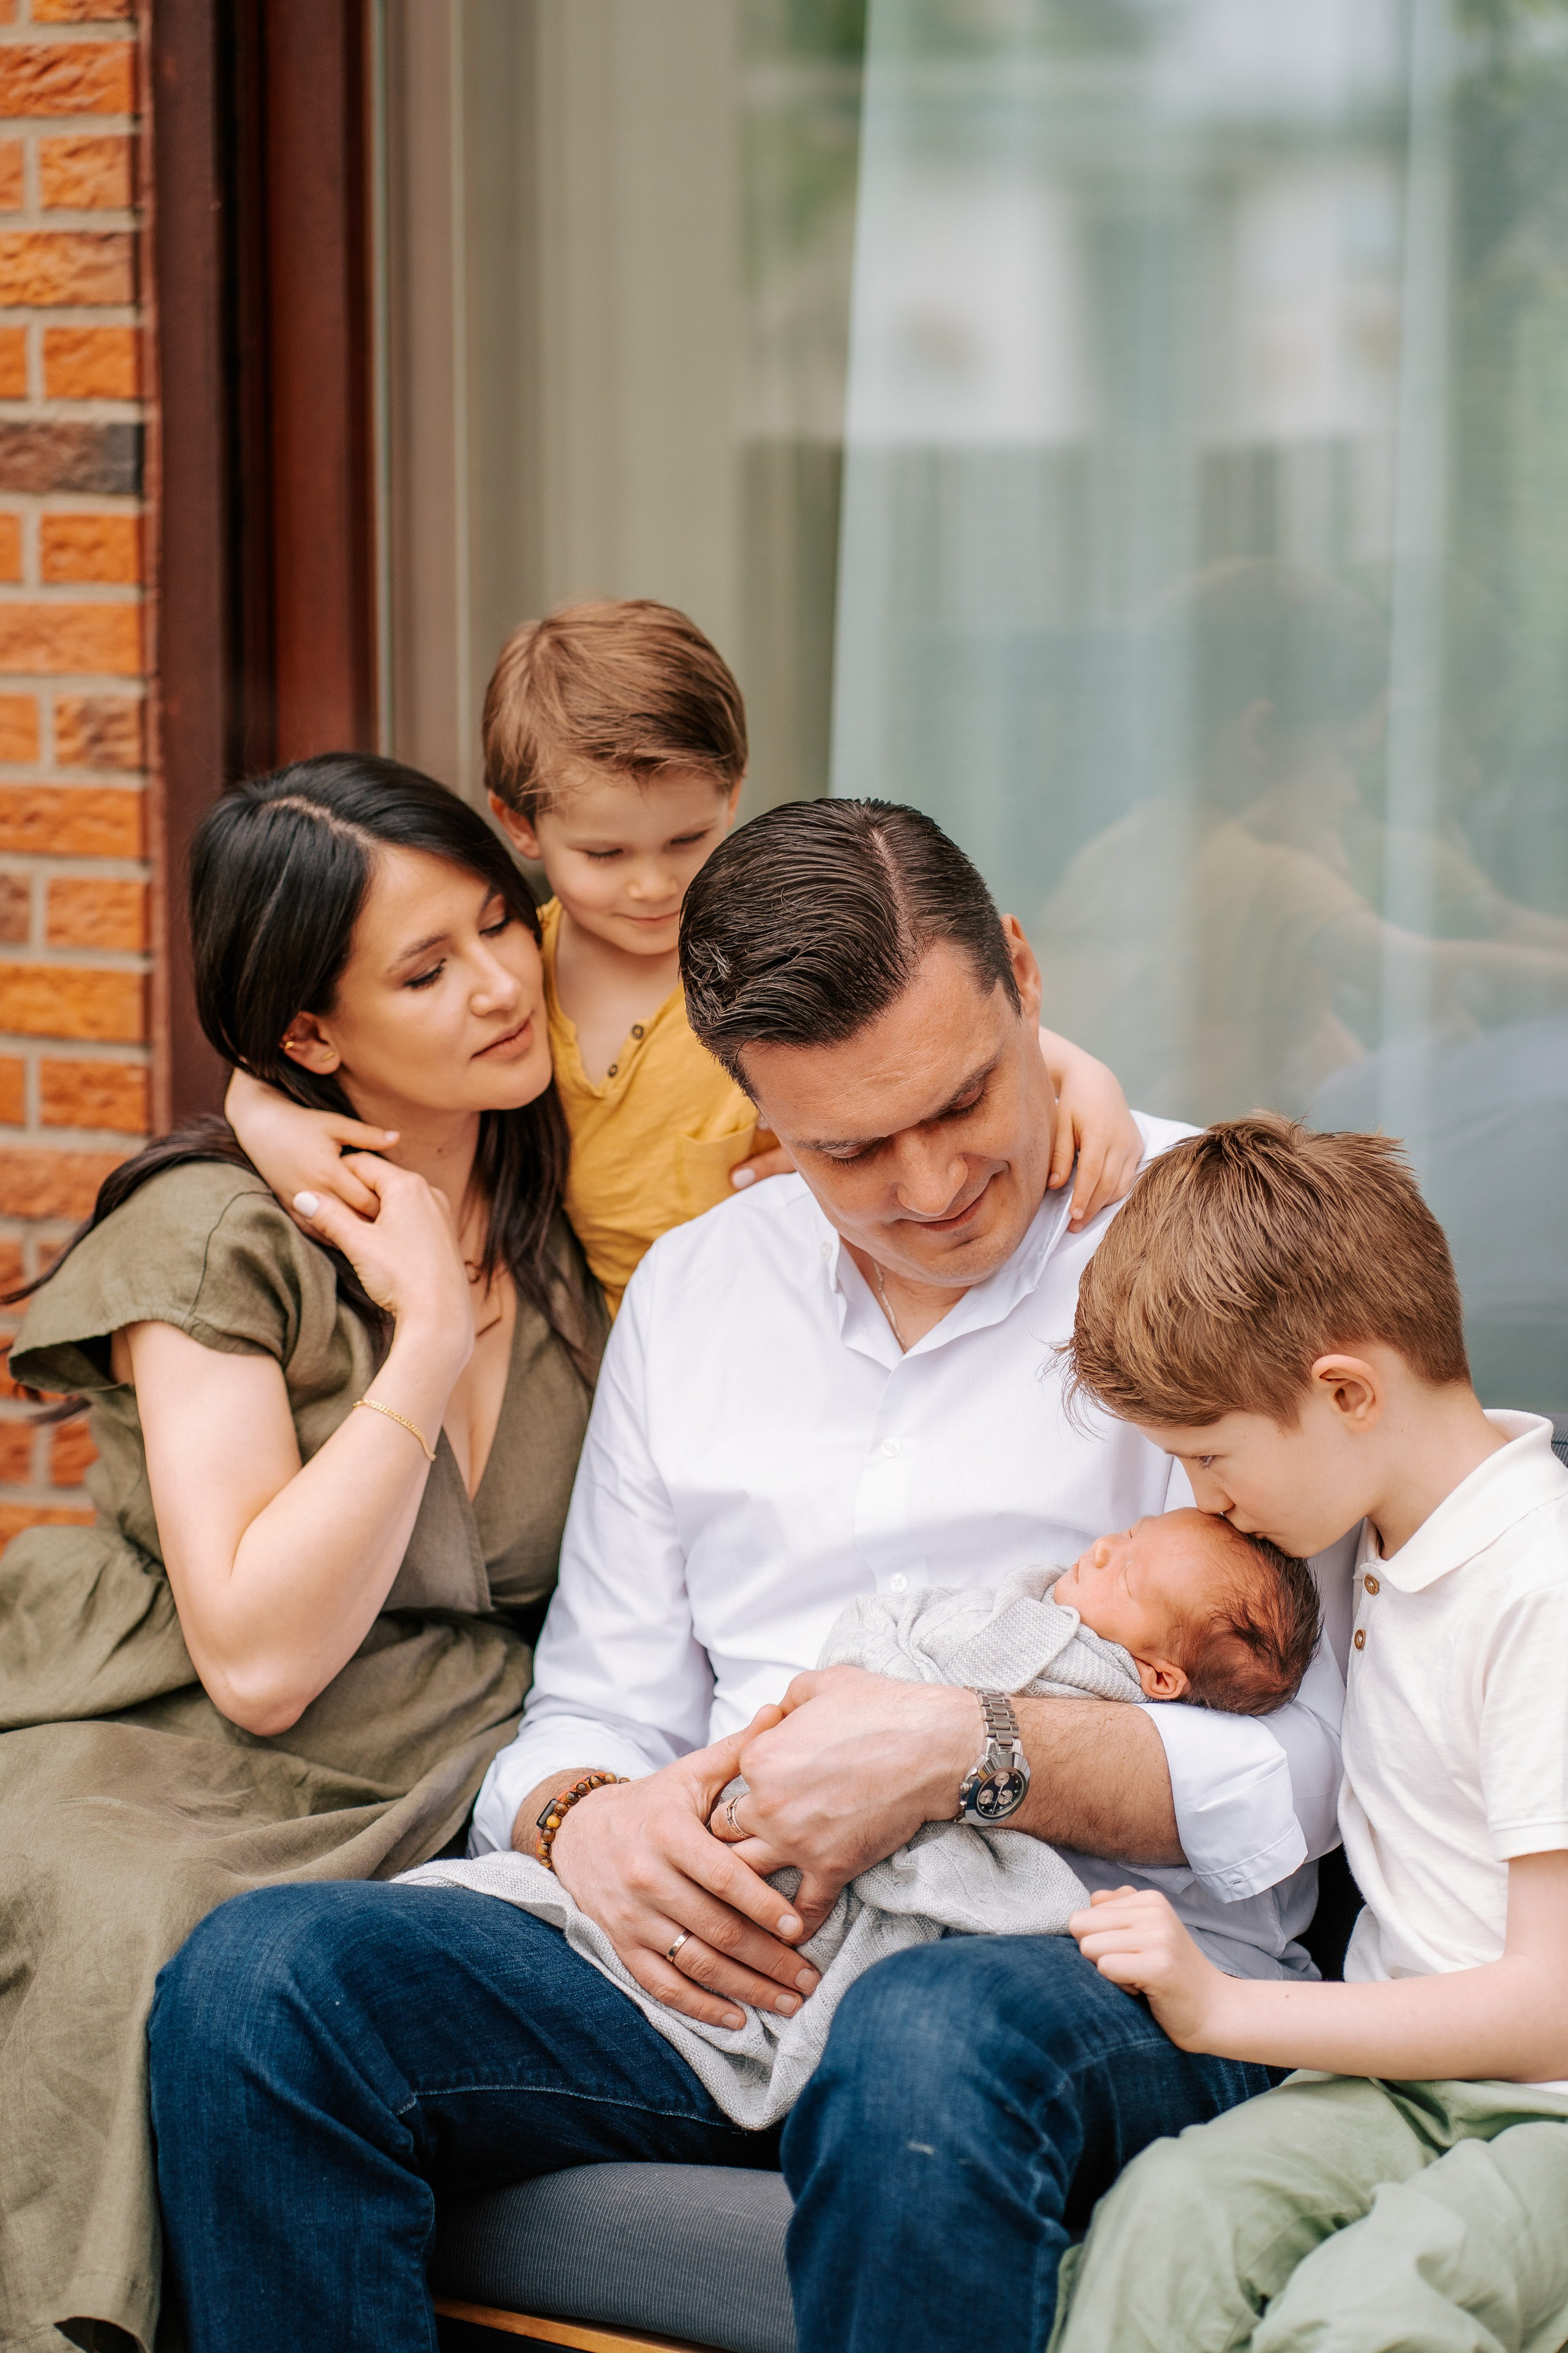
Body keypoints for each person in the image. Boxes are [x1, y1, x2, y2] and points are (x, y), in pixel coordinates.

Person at [149, 799, 1348, 2353]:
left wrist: (972, 1751)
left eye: (962, 1100)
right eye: (847, 1147)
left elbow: (1325, 1769)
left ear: (1023, 979)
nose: (931, 1182)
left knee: (921, 2043)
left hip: (1086, 1965)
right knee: (259, 1987)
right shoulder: (699, 1287)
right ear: (752, 1102)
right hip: (725, 1967)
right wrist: (589, 1822)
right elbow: (594, 1703)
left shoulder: (1217, 1245)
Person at [0, 755, 603, 2353]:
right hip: (181, 1742)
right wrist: (422, 1335)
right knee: (148, 1928)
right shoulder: (218, 1235)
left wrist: (1077, 1088)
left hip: (463, 1748)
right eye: (426, 968)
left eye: (500, 925)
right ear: (313, 1035)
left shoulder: (577, 1196)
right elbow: (259, 1659)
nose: (501, 987)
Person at [232, 601, 1143, 1313]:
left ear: (733, 794)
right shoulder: (513, 970)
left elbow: (948, 1047)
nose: (652, 885)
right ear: (520, 825)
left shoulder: (758, 972)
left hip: (777, 1310)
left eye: (686, 839)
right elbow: (314, 1047)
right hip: (599, 1347)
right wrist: (263, 1116)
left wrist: (1089, 1083)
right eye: (605, 854)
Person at [1052, 1116, 1568, 2353]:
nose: (1206, 1504)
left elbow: (1552, 2005)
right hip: (1389, 2094)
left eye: (1209, 1455)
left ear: (1346, 1393)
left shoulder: (1537, 1584)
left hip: (1548, 2111)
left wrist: (1221, 2008)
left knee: (1367, 2311)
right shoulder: (1365, 1528)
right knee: (1163, 2221)